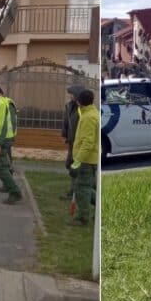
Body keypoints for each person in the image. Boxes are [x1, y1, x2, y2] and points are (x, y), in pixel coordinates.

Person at [68, 88, 98, 226]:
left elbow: (87, 143)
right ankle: (98, 207)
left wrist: (77, 162)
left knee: (81, 188)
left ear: (80, 102)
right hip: (89, 158)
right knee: (86, 187)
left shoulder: (88, 117)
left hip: (86, 159)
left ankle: (83, 217)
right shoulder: (92, 113)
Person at [60, 85, 85, 200]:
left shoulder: (82, 109)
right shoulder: (70, 106)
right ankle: (75, 189)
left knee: (75, 167)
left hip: (78, 142)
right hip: (71, 140)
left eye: (71, 94)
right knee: (69, 164)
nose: (69, 96)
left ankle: (74, 191)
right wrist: (64, 134)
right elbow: (67, 121)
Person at [0, 85, 17, 180]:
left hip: (6, 137)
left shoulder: (7, 103)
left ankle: (9, 182)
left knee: (6, 160)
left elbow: (12, 121)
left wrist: (11, 136)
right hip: (0, 137)